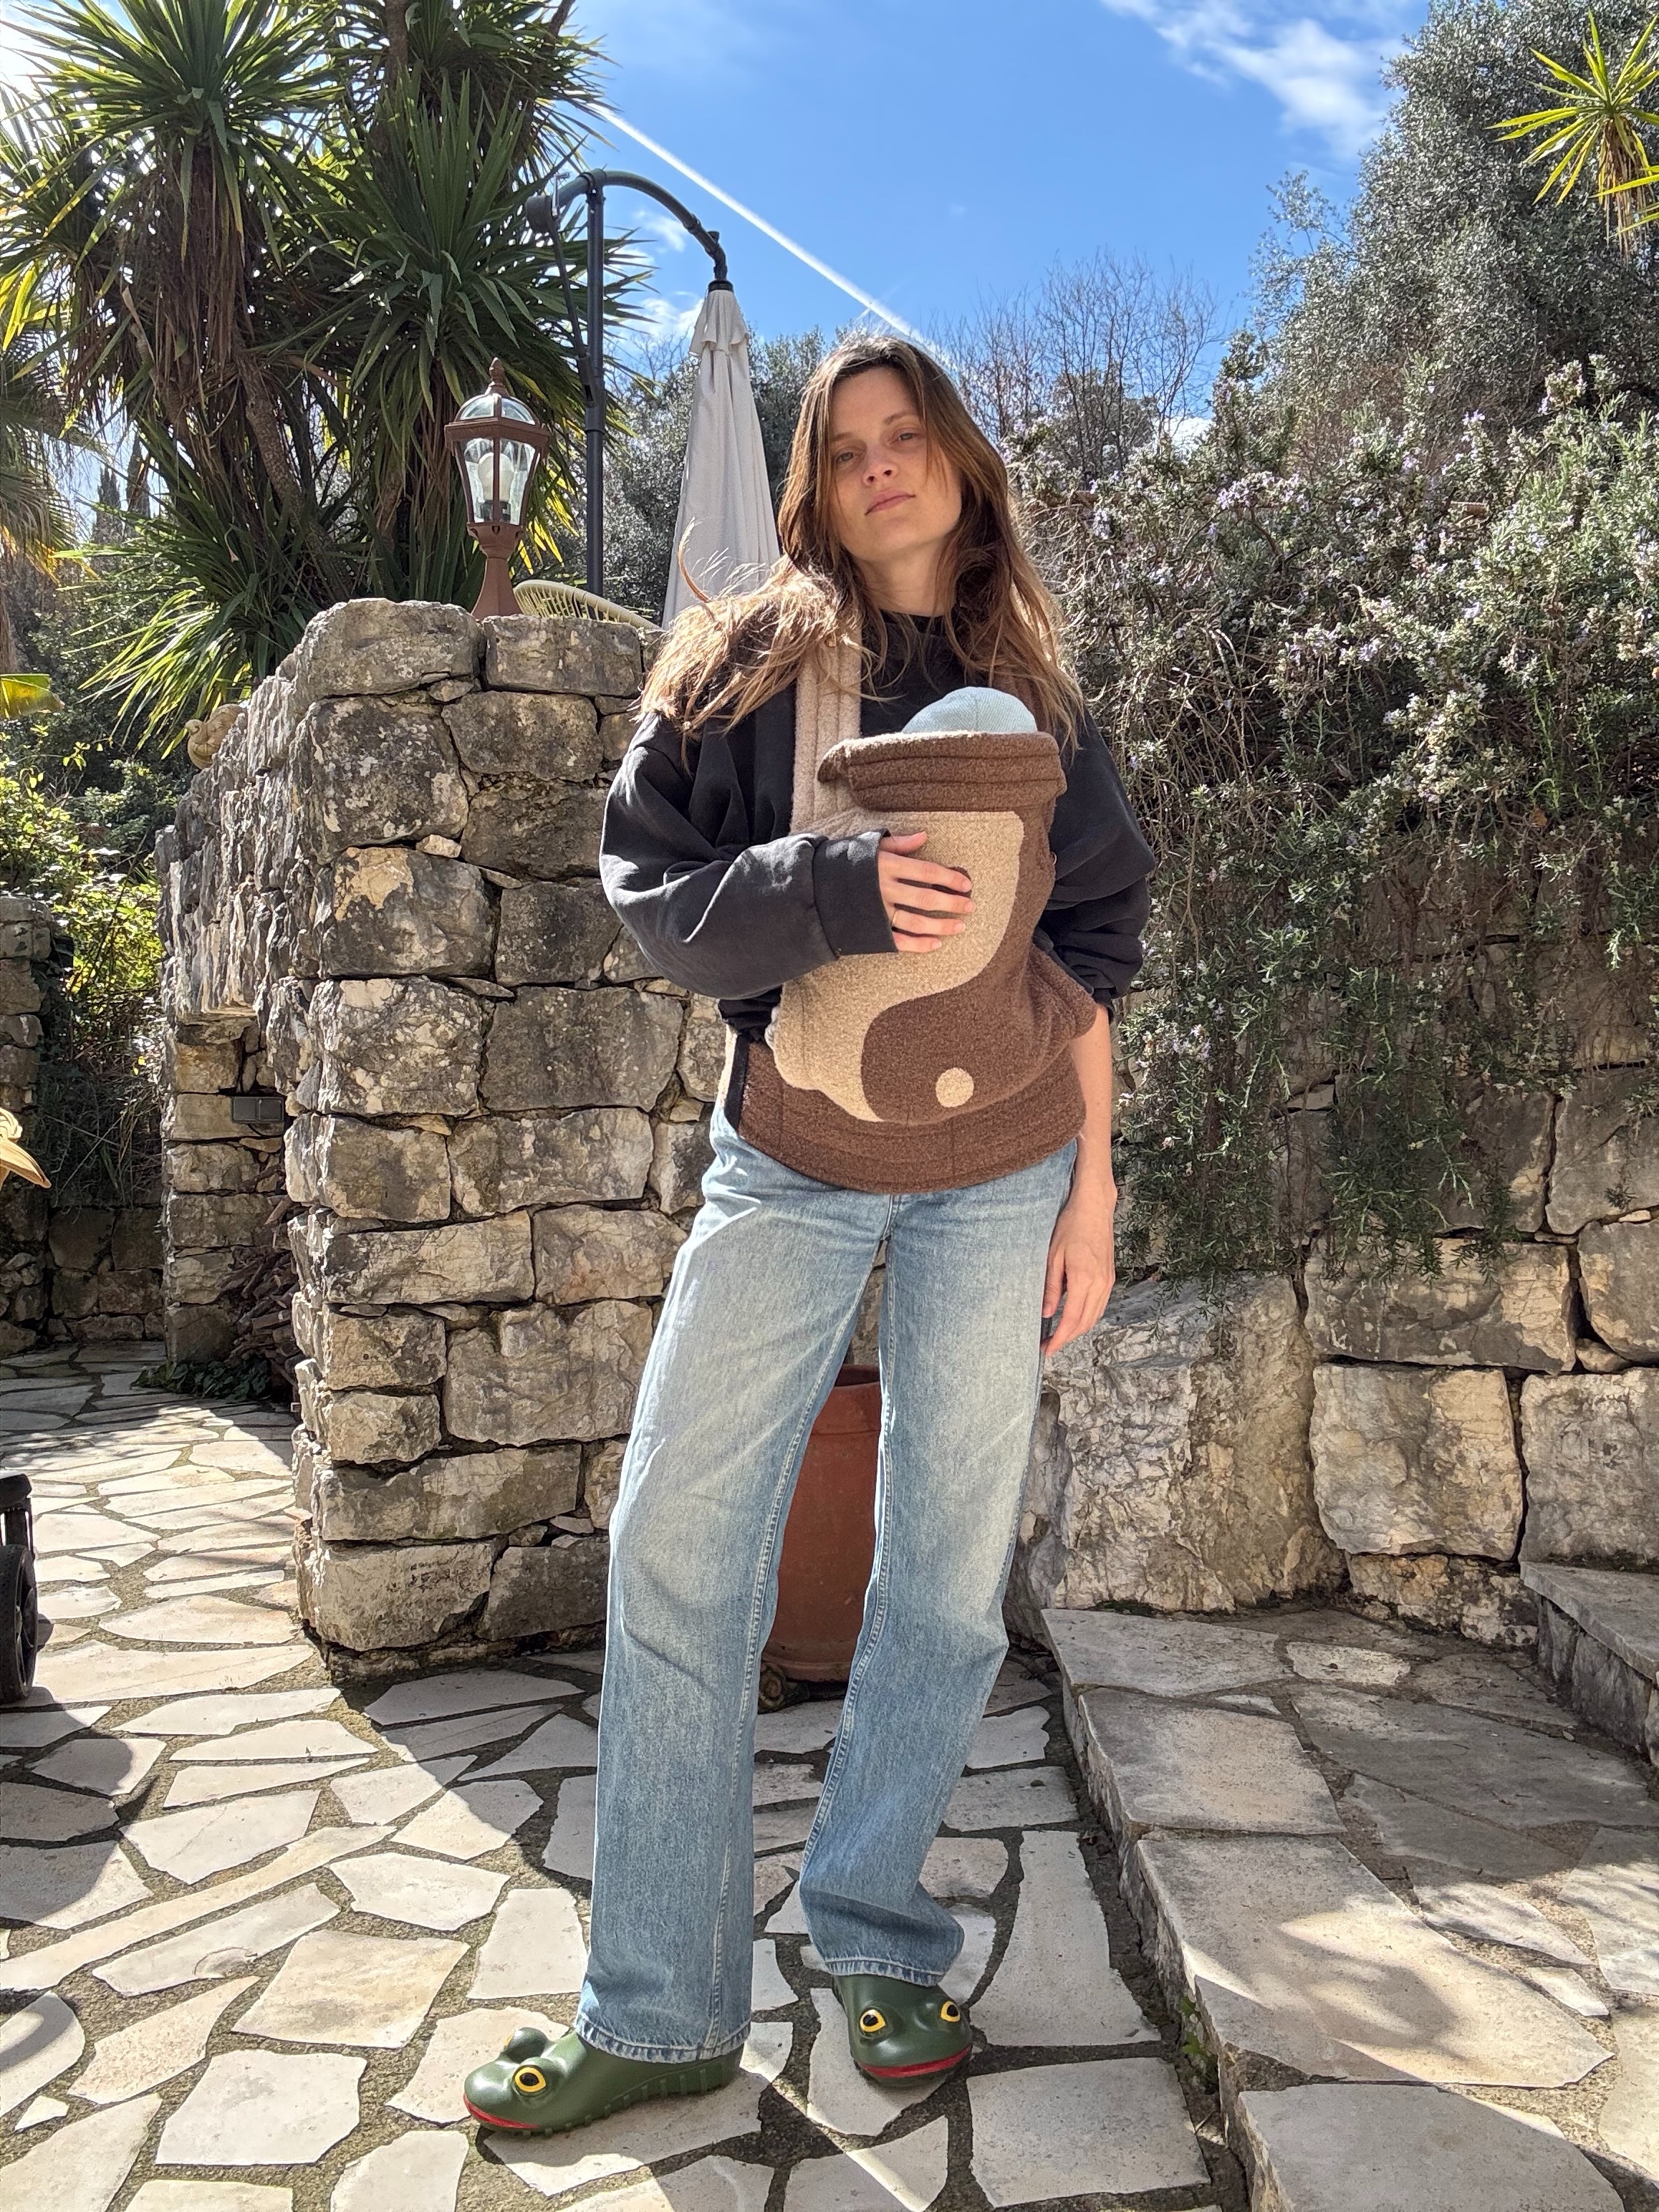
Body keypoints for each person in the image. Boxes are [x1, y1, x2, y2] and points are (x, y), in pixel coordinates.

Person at [463, 335, 1154, 2136]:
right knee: (680, 1546)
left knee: (940, 1572)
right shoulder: (741, 660)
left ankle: (871, 1923)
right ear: (812, 482)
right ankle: (664, 2002)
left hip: (1001, 1173)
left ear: (959, 462)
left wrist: (1093, 1186)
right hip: (785, 1155)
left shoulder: (1034, 703)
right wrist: (836, 883)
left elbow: (1090, 957)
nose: (879, 468)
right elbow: (656, 899)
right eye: (845, 446)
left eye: (905, 435)